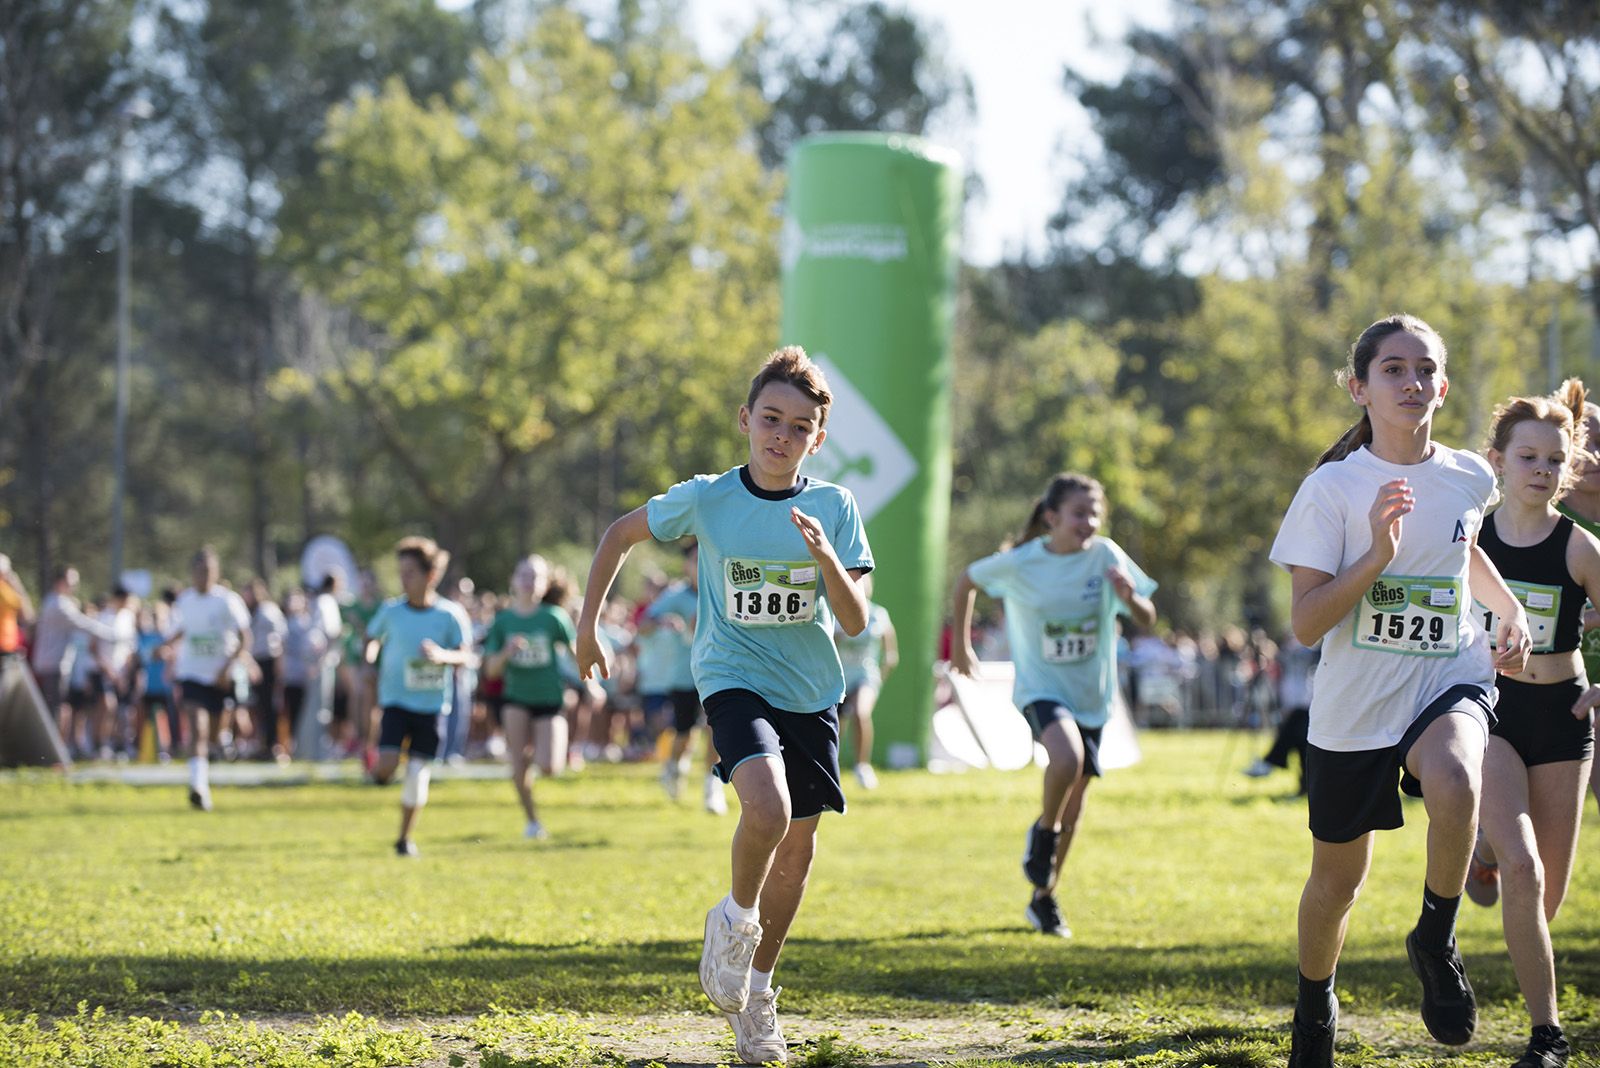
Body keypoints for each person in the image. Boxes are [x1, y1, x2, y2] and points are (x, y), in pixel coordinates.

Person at [575, 346, 873, 1066]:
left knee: (799, 847)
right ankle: (735, 920)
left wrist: (826, 558)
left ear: (818, 439)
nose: (782, 435)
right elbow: (619, 534)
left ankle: (758, 997)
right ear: (746, 419)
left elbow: (857, 620)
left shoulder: (834, 507)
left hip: (811, 691)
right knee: (764, 811)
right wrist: (587, 625)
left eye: (800, 427)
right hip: (732, 676)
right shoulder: (709, 497)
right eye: (771, 419)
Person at [1268, 314, 1532, 1068]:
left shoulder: (1468, 478)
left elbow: (1465, 553)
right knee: (1335, 884)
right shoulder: (1331, 490)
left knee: (1454, 775)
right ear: (1360, 387)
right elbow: (1308, 624)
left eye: (1425, 370)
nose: (1411, 381)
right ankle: (1315, 1001)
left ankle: (1435, 935)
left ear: (1442, 388)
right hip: (1354, 709)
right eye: (1393, 369)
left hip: (1450, 674)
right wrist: (1376, 557)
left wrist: (1507, 609)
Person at [949, 472, 1157, 938]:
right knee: (1066, 757)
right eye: (1079, 514)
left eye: (1095, 514)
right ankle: (1043, 833)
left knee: (1076, 803)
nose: (1088, 523)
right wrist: (962, 647)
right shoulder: (1023, 562)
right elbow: (966, 581)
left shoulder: (1106, 555)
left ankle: (1044, 898)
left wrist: (1130, 599)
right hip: (1041, 689)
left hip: (1092, 697)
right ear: (1052, 517)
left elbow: (1147, 615)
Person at [1460, 382, 1598, 1068]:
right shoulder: (1470, 537)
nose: (1541, 469)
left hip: (1563, 719)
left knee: (1549, 898)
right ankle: (1548, 1035)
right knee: (1525, 870)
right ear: (1498, 462)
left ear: (1567, 469)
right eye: (1527, 457)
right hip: (1492, 714)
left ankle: (1481, 853)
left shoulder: (1579, 548)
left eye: (1554, 459)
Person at [364, 536, 475, 857]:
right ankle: (379, 774)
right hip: (396, 701)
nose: (403, 579)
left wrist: (442, 656)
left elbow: (466, 655)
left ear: (431, 575)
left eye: (410, 572)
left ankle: (404, 838)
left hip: (431, 706)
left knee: (416, 774)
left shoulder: (449, 614)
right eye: (401, 572)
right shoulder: (391, 611)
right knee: (385, 767)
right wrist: (371, 658)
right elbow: (371, 638)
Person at [482, 555, 573, 840]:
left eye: (535, 576)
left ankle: (537, 748)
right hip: (515, 698)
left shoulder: (554, 618)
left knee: (549, 766)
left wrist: (592, 684)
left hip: (549, 698)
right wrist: (507, 653)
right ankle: (532, 821)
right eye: (523, 574)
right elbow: (491, 671)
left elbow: (577, 653)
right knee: (518, 764)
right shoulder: (503, 620)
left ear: (545, 583)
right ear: (513, 580)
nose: (528, 581)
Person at [639, 540, 727, 812]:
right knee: (684, 734)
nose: (700, 565)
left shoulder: (727, 590)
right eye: (695, 560)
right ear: (686, 565)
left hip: (721, 673)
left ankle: (712, 787)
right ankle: (673, 767)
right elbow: (643, 626)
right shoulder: (676, 596)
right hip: (685, 674)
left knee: (716, 729)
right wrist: (661, 622)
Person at [163, 548, 253, 810]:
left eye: (209, 571)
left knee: (213, 736)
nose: (204, 576)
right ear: (192, 573)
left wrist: (228, 667)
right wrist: (163, 647)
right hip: (192, 674)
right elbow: (179, 630)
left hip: (220, 678)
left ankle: (207, 770)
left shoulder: (227, 600)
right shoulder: (185, 601)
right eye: (200, 571)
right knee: (197, 729)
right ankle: (198, 787)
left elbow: (245, 637)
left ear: (217, 573)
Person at [1553, 393, 1600, 814]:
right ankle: (1483, 853)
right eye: (1589, 440)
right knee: (1504, 840)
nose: (1598, 454)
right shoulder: (1537, 525)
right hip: (1546, 697)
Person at [835, 574, 898, 790]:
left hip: (865, 676)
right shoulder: (836, 613)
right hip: (839, 678)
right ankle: (830, 770)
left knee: (861, 713)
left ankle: (862, 767)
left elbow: (891, 655)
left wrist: (879, 677)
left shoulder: (879, 614)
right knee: (835, 726)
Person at [1244, 636, 1319, 794]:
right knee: (1299, 735)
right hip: (1303, 707)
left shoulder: (1314, 650)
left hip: (1313, 706)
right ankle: (1302, 785)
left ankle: (1271, 760)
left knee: (1297, 727)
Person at [244, 579, 287, 762]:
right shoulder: (250, 612)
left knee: (270, 705)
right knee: (258, 705)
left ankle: (273, 744)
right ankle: (262, 743)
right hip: (255, 661)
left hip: (268, 660)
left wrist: (279, 662)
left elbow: (280, 636)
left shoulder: (268, 610)